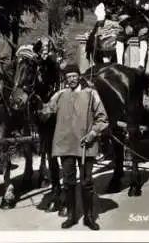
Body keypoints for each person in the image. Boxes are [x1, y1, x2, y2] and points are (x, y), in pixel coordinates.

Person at [38, 64, 109, 230]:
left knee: (86, 182)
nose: (71, 79)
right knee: (69, 182)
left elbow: (103, 119)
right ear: (65, 79)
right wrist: (38, 104)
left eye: (74, 76)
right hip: (65, 146)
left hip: (86, 146)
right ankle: (71, 216)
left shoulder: (91, 94)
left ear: (79, 76)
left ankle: (89, 217)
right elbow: (46, 111)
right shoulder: (60, 95)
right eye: (68, 76)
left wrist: (93, 133)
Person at [117, 0, 149, 72]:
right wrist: (127, 25)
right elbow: (122, 15)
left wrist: (148, 27)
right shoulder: (129, 1)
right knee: (119, 37)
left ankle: (141, 65)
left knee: (143, 37)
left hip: (144, 25)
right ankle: (119, 65)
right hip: (132, 26)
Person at [91, 0, 129, 64]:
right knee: (100, 40)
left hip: (119, 26)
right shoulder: (103, 4)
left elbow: (126, 16)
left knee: (119, 38)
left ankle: (119, 63)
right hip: (107, 27)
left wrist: (122, 18)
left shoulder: (122, 3)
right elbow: (100, 19)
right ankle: (106, 63)